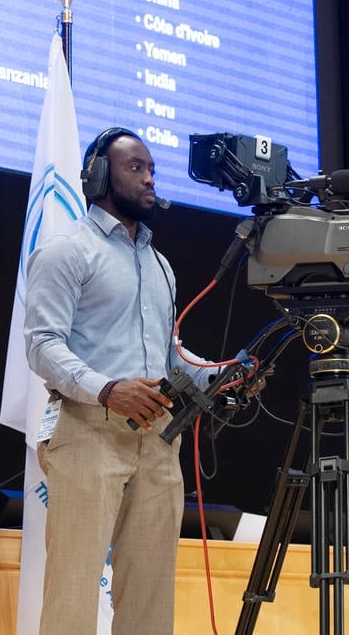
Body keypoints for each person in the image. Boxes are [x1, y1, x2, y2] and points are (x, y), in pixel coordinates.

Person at [23, 126, 216, 635]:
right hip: (89, 433)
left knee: (151, 598)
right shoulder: (66, 251)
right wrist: (109, 389)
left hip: (159, 443)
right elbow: (42, 345)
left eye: (153, 169)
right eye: (137, 168)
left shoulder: (160, 265)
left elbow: (168, 351)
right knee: (72, 589)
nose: (150, 178)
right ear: (100, 175)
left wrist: (218, 374)